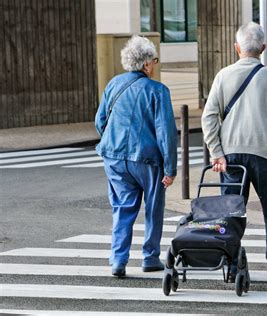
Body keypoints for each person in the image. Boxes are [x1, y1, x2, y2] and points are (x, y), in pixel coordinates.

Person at [201, 22, 267, 276]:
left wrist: (216, 152)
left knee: (231, 210)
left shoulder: (223, 75)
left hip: (231, 156)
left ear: (236, 47)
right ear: (263, 48)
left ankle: (229, 259)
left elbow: (208, 117)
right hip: (263, 153)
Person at [95, 35, 177, 277]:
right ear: (145, 64)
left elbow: (101, 122)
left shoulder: (113, 84)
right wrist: (171, 168)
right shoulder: (158, 91)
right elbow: (166, 133)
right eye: (155, 60)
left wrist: (114, 142)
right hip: (147, 159)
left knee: (122, 207)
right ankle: (150, 257)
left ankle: (118, 260)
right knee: (153, 206)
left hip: (115, 157)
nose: (155, 65)